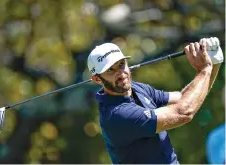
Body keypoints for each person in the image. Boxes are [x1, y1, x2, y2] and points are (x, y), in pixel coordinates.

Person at [87, 37, 223, 164]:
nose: (121, 73)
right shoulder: (117, 115)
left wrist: (213, 64)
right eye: (110, 70)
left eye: (121, 64)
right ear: (97, 79)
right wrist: (205, 70)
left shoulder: (137, 88)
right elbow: (183, 112)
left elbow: (185, 98)